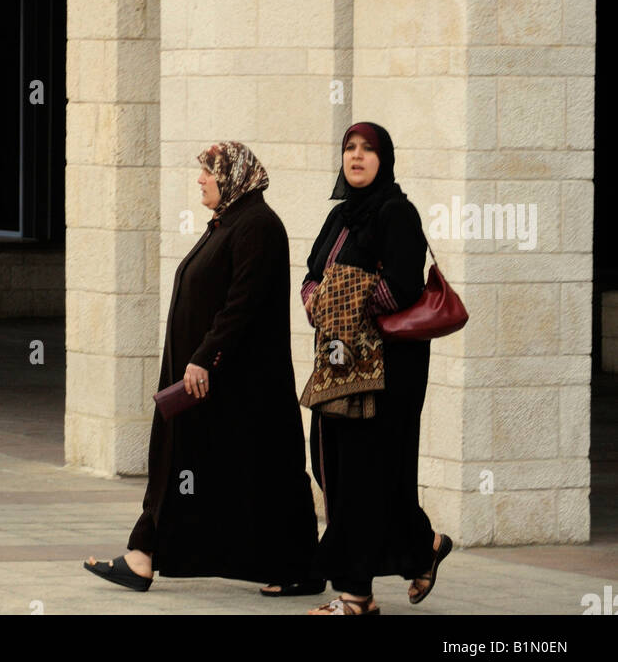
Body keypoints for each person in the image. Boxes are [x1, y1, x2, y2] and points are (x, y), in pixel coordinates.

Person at [84, 141, 321, 594]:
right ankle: (143, 553)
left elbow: (242, 303)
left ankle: (301, 567)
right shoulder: (229, 222)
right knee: (182, 458)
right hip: (210, 377)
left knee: (265, 467)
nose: (200, 179)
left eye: (208, 172)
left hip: (236, 382)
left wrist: (204, 356)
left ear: (232, 176)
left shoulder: (258, 226)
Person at [301, 122, 452, 616]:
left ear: (384, 158)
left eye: (368, 149)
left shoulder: (396, 213)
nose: (357, 156)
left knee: (366, 475)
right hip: (339, 364)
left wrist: (341, 302)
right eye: (350, 148)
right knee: (336, 471)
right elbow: (311, 277)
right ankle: (421, 544)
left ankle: (355, 597)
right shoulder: (340, 216)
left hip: (389, 372)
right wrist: (320, 300)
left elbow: (403, 287)